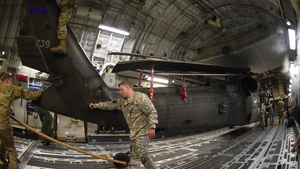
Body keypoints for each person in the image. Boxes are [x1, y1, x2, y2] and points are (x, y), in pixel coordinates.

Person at [89, 80, 158, 169]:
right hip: (134, 134)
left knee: (134, 159)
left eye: (122, 90)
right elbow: (110, 105)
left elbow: (152, 112)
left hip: (143, 132)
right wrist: (96, 105)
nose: (120, 92)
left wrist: (152, 127)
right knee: (144, 157)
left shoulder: (141, 98)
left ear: (128, 88)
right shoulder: (123, 102)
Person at [0, 72, 42, 169]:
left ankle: (2, 161)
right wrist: (42, 93)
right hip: (3, 125)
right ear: (10, 80)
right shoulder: (12, 88)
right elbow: (30, 95)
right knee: (11, 149)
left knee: (3, 142)